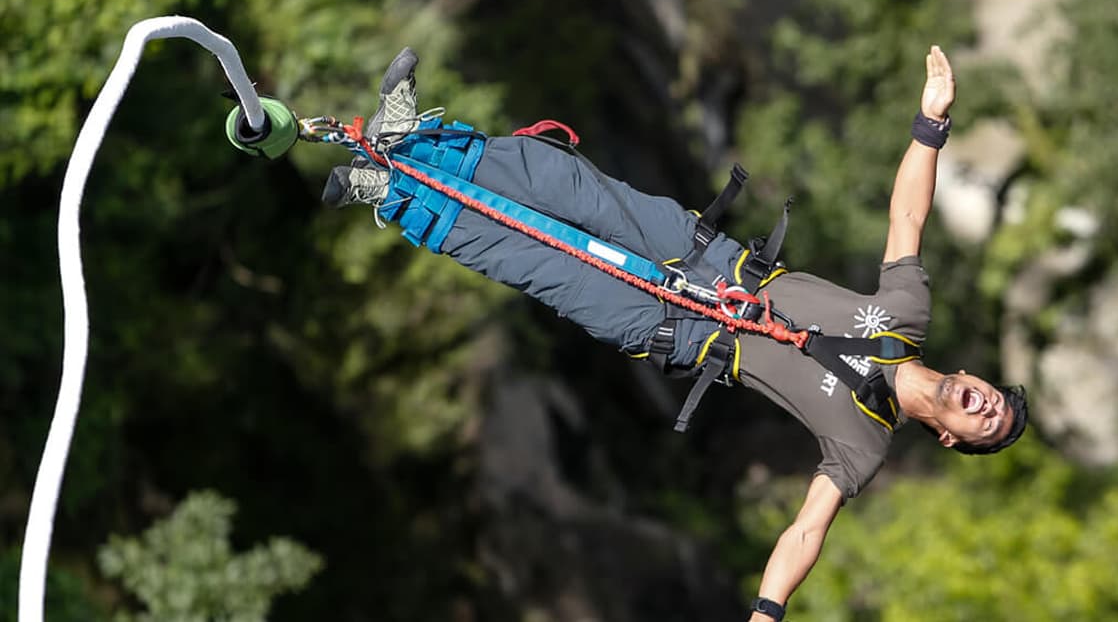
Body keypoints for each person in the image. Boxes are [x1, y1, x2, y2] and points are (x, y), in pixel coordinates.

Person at [320, 44, 1028, 622]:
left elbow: (805, 532)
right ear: (972, 377)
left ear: (951, 438)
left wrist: (766, 614)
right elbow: (907, 220)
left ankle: (390, 195)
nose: (989, 407)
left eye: (988, 428)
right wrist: (930, 124)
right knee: (565, 183)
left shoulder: (861, 445)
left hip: (679, 330)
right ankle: (408, 142)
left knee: (540, 263)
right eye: (995, 399)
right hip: (713, 262)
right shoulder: (907, 315)